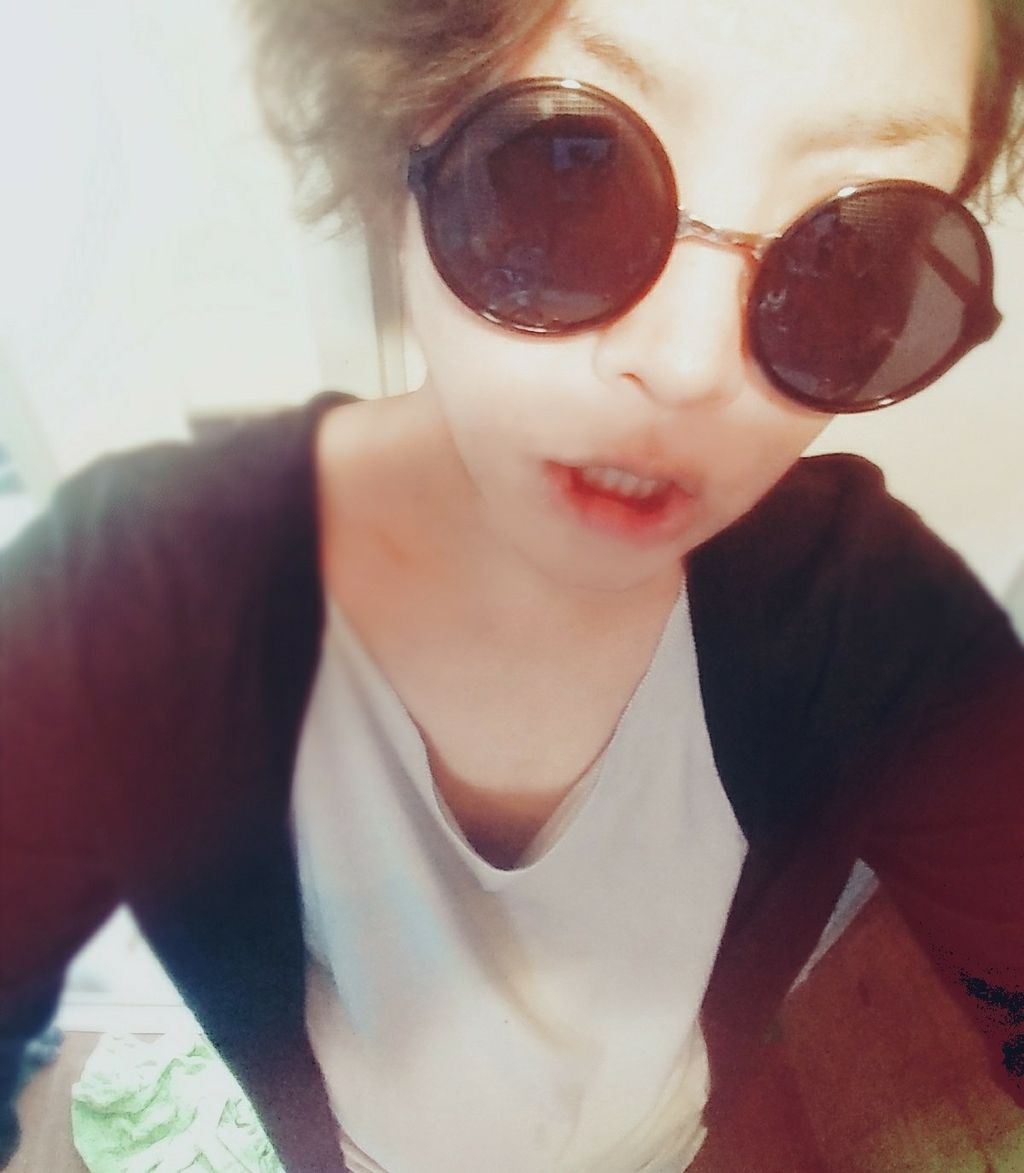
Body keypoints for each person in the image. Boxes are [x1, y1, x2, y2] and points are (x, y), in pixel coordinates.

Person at [2, 0, 1023, 1169]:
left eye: (852, 250)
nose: (689, 364)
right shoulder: (127, 603)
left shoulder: (877, 624)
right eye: (565, 171)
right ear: (397, 126)